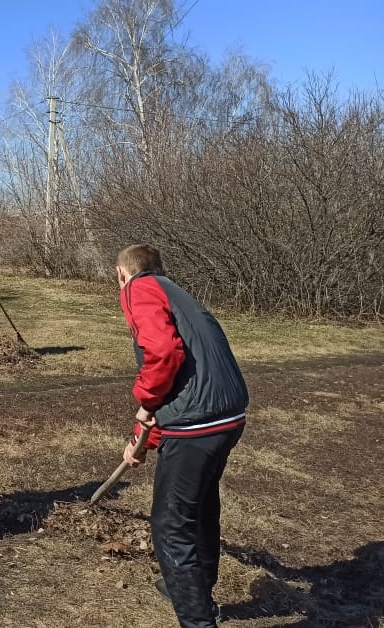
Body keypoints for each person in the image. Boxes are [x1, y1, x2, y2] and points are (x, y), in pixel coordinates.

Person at [116, 244, 248, 628]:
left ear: (122, 274)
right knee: (201, 503)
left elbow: (163, 355)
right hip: (228, 414)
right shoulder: (173, 291)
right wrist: (144, 437)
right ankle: (194, 586)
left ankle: (198, 619)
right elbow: (185, 370)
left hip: (197, 423)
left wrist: (143, 403)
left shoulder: (137, 288)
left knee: (170, 524)